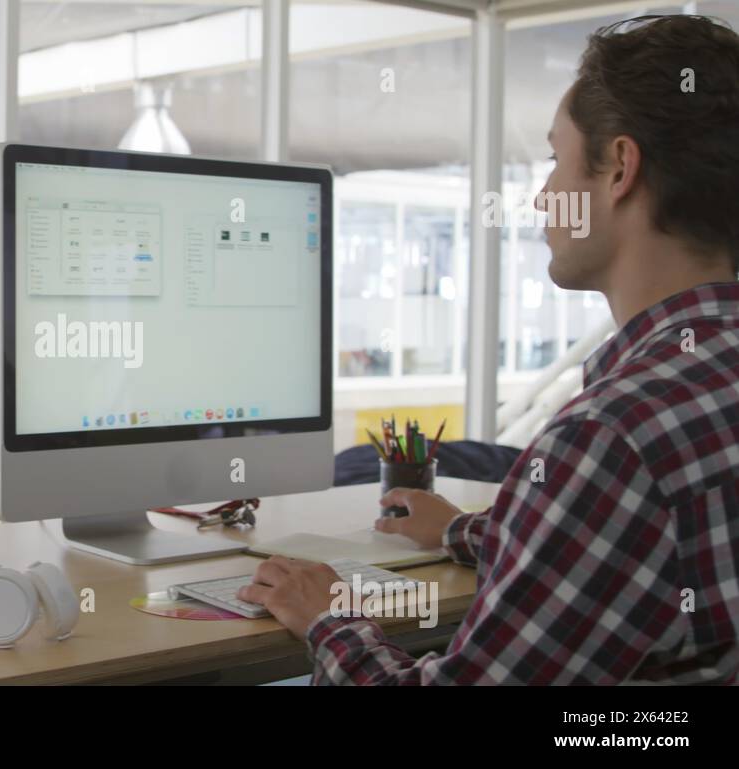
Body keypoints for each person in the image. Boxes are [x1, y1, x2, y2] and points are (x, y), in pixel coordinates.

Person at [238, 14, 739, 684]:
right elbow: (638, 545)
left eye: (557, 160)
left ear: (620, 168)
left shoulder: (611, 440)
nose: (542, 196)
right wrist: (467, 530)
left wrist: (331, 615)